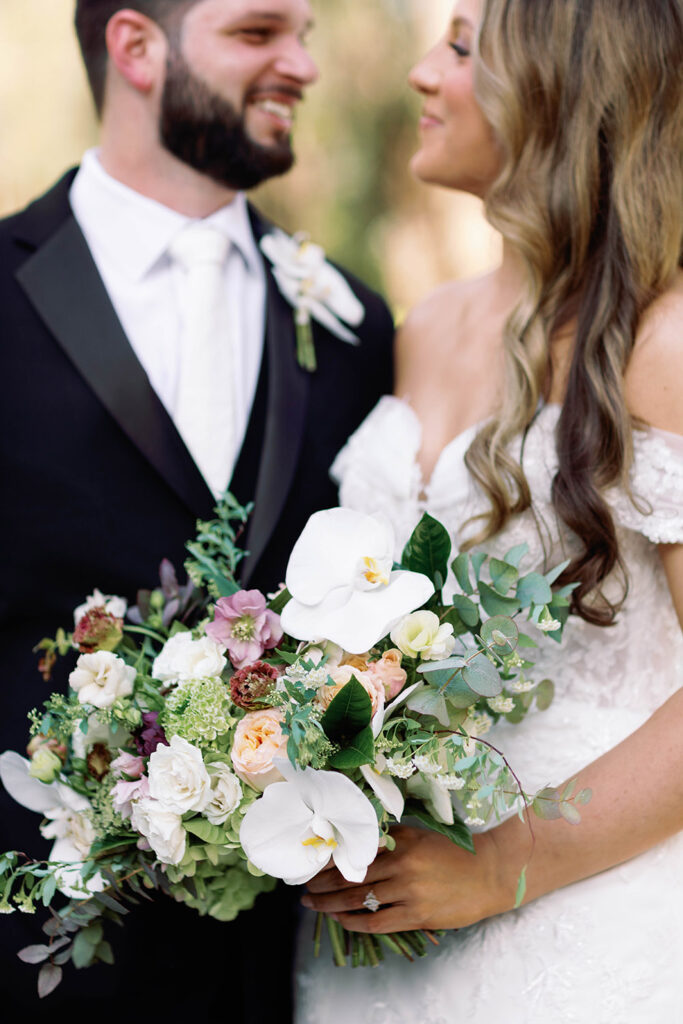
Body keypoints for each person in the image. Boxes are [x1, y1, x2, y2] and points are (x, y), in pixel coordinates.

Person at [0, 0, 393, 1018]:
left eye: (303, 33)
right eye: (259, 34)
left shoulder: (351, 324)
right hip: (35, 958)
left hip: (282, 964)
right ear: (136, 47)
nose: (301, 64)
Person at [296, 0, 683, 1020]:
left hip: (589, 914)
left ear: (560, 93)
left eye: (462, 49)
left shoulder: (662, 343)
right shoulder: (423, 326)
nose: (422, 75)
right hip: (376, 917)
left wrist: (508, 861)